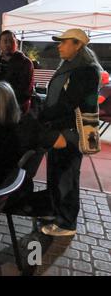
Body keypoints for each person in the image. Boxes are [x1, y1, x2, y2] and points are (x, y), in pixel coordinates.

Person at [39, 29, 101, 236]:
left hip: (71, 132)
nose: (59, 45)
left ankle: (66, 223)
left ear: (78, 45)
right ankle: (55, 212)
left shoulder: (86, 71)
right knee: (55, 172)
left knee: (66, 176)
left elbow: (69, 104)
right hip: (58, 129)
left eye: (64, 42)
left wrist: (44, 115)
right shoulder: (68, 66)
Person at [0, 30, 34, 113]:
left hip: (15, 110)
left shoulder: (25, 63)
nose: (8, 44)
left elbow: (26, 90)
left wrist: (7, 104)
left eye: (11, 41)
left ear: (16, 44)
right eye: (5, 41)